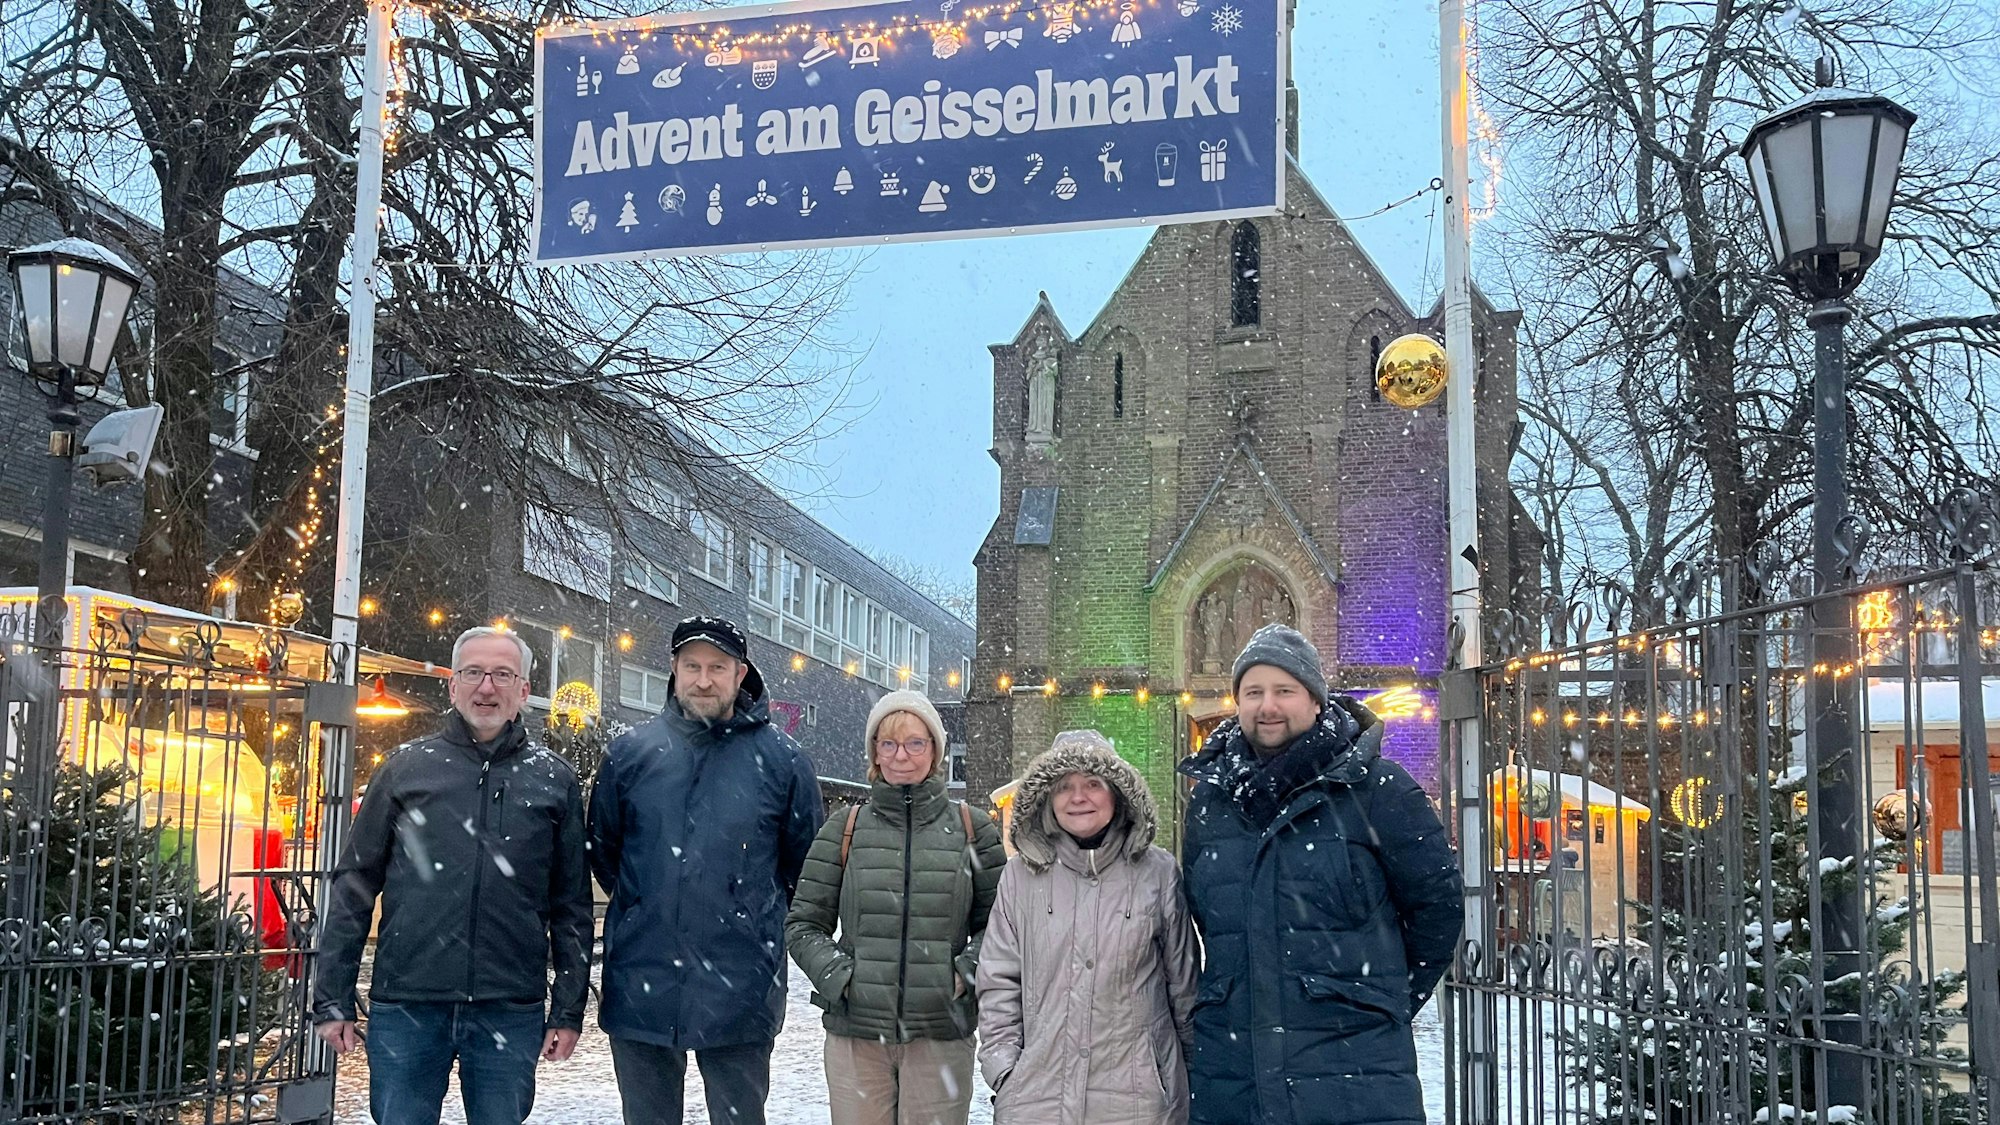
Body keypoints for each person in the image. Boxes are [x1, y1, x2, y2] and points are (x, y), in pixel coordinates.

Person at [1178, 624, 1462, 1125]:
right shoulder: (1210, 799)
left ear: (1314, 701)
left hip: (1355, 1075)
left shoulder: (1381, 790)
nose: (1268, 706)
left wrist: (1376, 1002)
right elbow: (1208, 914)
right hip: (1234, 1074)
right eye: (1254, 692)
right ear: (1237, 703)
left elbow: (1436, 909)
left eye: (1285, 691)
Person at [314, 626, 593, 1125]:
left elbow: (571, 905)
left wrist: (568, 1008)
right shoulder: (405, 769)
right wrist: (332, 997)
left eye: (503, 675)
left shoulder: (554, 780)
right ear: (452, 685)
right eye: (473, 673)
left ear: (524, 691)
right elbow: (355, 884)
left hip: (509, 1005)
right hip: (409, 1003)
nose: (486, 687)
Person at [589, 615, 824, 1125]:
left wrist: (746, 914)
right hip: (642, 983)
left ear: (741, 674)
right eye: (691, 665)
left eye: (717, 667)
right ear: (673, 669)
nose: (703, 679)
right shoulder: (629, 755)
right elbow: (606, 851)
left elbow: (802, 867)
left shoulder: (783, 762)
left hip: (742, 987)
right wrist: (650, 905)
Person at [786, 690, 1009, 1125]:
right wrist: (842, 977)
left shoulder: (972, 829)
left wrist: (964, 974)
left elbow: (1002, 926)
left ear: (935, 751)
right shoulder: (844, 829)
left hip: (941, 1035)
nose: (901, 755)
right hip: (857, 1037)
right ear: (875, 753)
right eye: (888, 744)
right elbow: (804, 924)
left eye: (914, 743)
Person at [976, 730, 1199, 1125]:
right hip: (1036, 1099)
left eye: (1093, 784)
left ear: (1117, 792)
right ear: (1048, 798)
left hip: (1139, 1101)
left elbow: (1182, 985)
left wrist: (1186, 1070)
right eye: (1064, 787)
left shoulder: (1158, 874)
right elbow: (998, 980)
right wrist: (1005, 1069)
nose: (1078, 797)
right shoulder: (1020, 877)